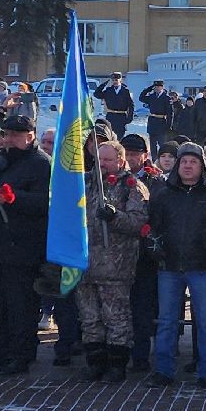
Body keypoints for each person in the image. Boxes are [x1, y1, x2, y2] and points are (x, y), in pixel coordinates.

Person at [146, 143, 206, 389]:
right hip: (169, 266)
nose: (187, 166)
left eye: (193, 161)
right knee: (167, 321)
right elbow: (153, 226)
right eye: (184, 161)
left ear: (201, 166)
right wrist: (155, 245)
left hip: (202, 266)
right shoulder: (163, 194)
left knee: (205, 321)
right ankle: (163, 370)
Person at [0, 115, 51, 376]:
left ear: (29, 136)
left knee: (20, 306)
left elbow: (45, 203)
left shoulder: (41, 164)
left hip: (22, 248)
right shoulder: (1, 161)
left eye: (14, 135)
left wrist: (14, 198)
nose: (7, 139)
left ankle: (21, 356)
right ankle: (1, 353)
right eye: (6, 134)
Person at [74, 140, 149, 382]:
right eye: (100, 159)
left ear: (120, 160)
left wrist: (116, 217)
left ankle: (117, 364)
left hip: (115, 266)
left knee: (116, 317)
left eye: (108, 160)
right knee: (89, 317)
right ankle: (95, 361)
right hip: (86, 266)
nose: (103, 164)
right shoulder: (85, 183)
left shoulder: (132, 187)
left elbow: (139, 223)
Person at [94, 72, 135, 137]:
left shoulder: (126, 91)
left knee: (119, 138)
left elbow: (131, 105)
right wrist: (103, 85)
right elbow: (96, 94)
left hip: (121, 117)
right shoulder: (109, 90)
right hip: (111, 117)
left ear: (120, 80)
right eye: (113, 80)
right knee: (110, 136)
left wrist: (130, 118)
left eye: (116, 80)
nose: (114, 82)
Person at [140, 80, 177, 144]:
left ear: (162, 87)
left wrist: (169, 126)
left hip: (161, 123)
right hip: (152, 123)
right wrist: (149, 89)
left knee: (162, 143)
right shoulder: (152, 97)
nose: (157, 88)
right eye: (155, 87)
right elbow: (141, 98)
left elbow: (170, 113)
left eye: (158, 86)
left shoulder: (167, 98)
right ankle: (154, 154)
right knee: (152, 144)